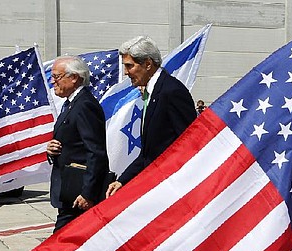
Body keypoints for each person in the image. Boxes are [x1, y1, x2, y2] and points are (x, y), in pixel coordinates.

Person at [106, 36, 197, 197]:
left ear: (148, 64)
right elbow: (148, 152)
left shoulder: (171, 91)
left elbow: (189, 143)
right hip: (155, 184)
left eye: (129, 66)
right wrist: (122, 180)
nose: (126, 72)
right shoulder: (151, 92)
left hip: (171, 188)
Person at [47, 55, 109, 232]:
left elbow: (95, 152)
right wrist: (51, 150)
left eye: (57, 77)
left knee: (60, 243)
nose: (53, 82)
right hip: (68, 191)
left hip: (78, 194)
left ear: (74, 77)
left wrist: (87, 192)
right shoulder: (70, 105)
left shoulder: (84, 105)